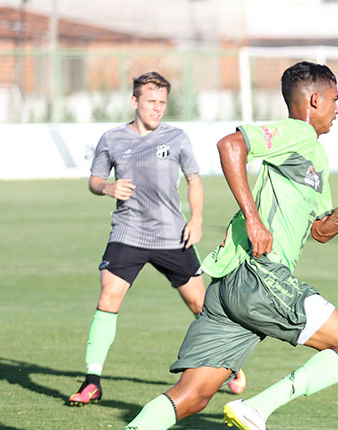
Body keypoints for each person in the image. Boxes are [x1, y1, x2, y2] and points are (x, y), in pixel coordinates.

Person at [67, 61, 338, 430]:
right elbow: (230, 145)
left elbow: (321, 230)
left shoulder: (314, 156)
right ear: (315, 100)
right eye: (336, 99)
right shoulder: (296, 133)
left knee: (193, 395)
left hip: (230, 288)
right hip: (262, 276)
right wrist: (254, 218)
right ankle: (259, 408)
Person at [68, 71, 245, 406]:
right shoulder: (112, 139)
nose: (157, 108)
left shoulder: (177, 138)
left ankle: (228, 365)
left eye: (162, 102)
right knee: (109, 297)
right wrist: (108, 188)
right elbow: (94, 180)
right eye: (151, 101)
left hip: (171, 234)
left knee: (201, 305)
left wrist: (197, 219)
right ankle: (92, 380)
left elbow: (194, 181)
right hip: (128, 233)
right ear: (134, 101)